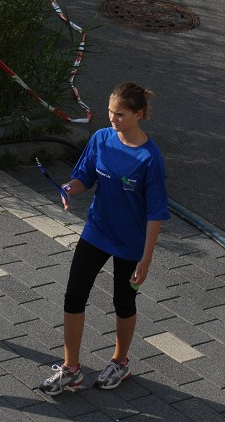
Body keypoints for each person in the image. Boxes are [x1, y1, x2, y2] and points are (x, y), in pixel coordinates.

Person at [38, 82, 170, 395]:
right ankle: (71, 368)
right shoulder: (101, 138)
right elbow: (85, 177)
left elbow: (155, 214)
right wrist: (70, 188)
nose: (112, 118)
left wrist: (146, 259)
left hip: (131, 243)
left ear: (139, 114)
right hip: (96, 231)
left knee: (123, 301)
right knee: (74, 296)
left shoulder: (150, 159)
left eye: (120, 114)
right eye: (110, 111)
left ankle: (120, 361)